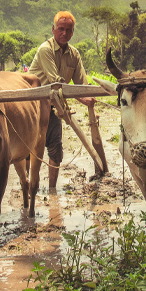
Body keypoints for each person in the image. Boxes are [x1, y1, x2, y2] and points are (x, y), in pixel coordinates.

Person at [28, 11, 96, 190]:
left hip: (53, 107)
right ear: (53, 29)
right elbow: (56, 82)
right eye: (60, 29)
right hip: (33, 106)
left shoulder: (74, 54)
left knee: (55, 148)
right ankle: (28, 188)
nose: (64, 33)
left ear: (73, 32)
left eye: (68, 30)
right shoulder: (45, 50)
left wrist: (89, 96)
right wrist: (81, 98)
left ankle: (52, 191)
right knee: (29, 150)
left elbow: (82, 84)